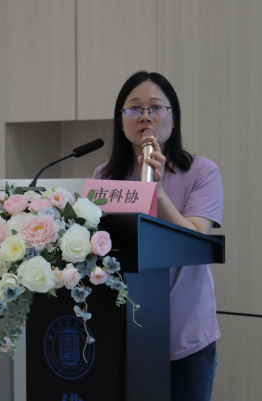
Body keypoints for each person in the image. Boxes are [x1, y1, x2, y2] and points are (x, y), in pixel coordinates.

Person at [92, 71, 224, 401]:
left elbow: (195, 241)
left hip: (185, 334)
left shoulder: (202, 171)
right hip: (123, 332)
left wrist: (157, 192)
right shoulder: (105, 176)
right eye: (134, 108)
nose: (145, 116)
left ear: (173, 118)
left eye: (156, 107)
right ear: (121, 121)